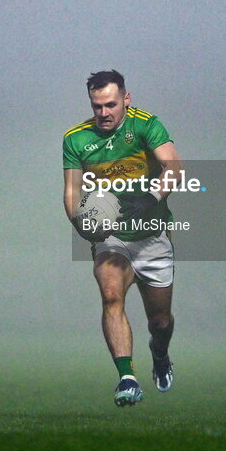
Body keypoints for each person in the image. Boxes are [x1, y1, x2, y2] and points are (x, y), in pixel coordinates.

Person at [62, 70, 179, 407]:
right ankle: (127, 378)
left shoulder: (146, 125)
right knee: (111, 294)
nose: (104, 113)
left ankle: (160, 354)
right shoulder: (75, 139)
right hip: (110, 237)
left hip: (153, 236)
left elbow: (174, 167)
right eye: (97, 106)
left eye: (110, 104)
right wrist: (81, 225)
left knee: (160, 321)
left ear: (126, 99)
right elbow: (71, 191)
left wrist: (152, 198)